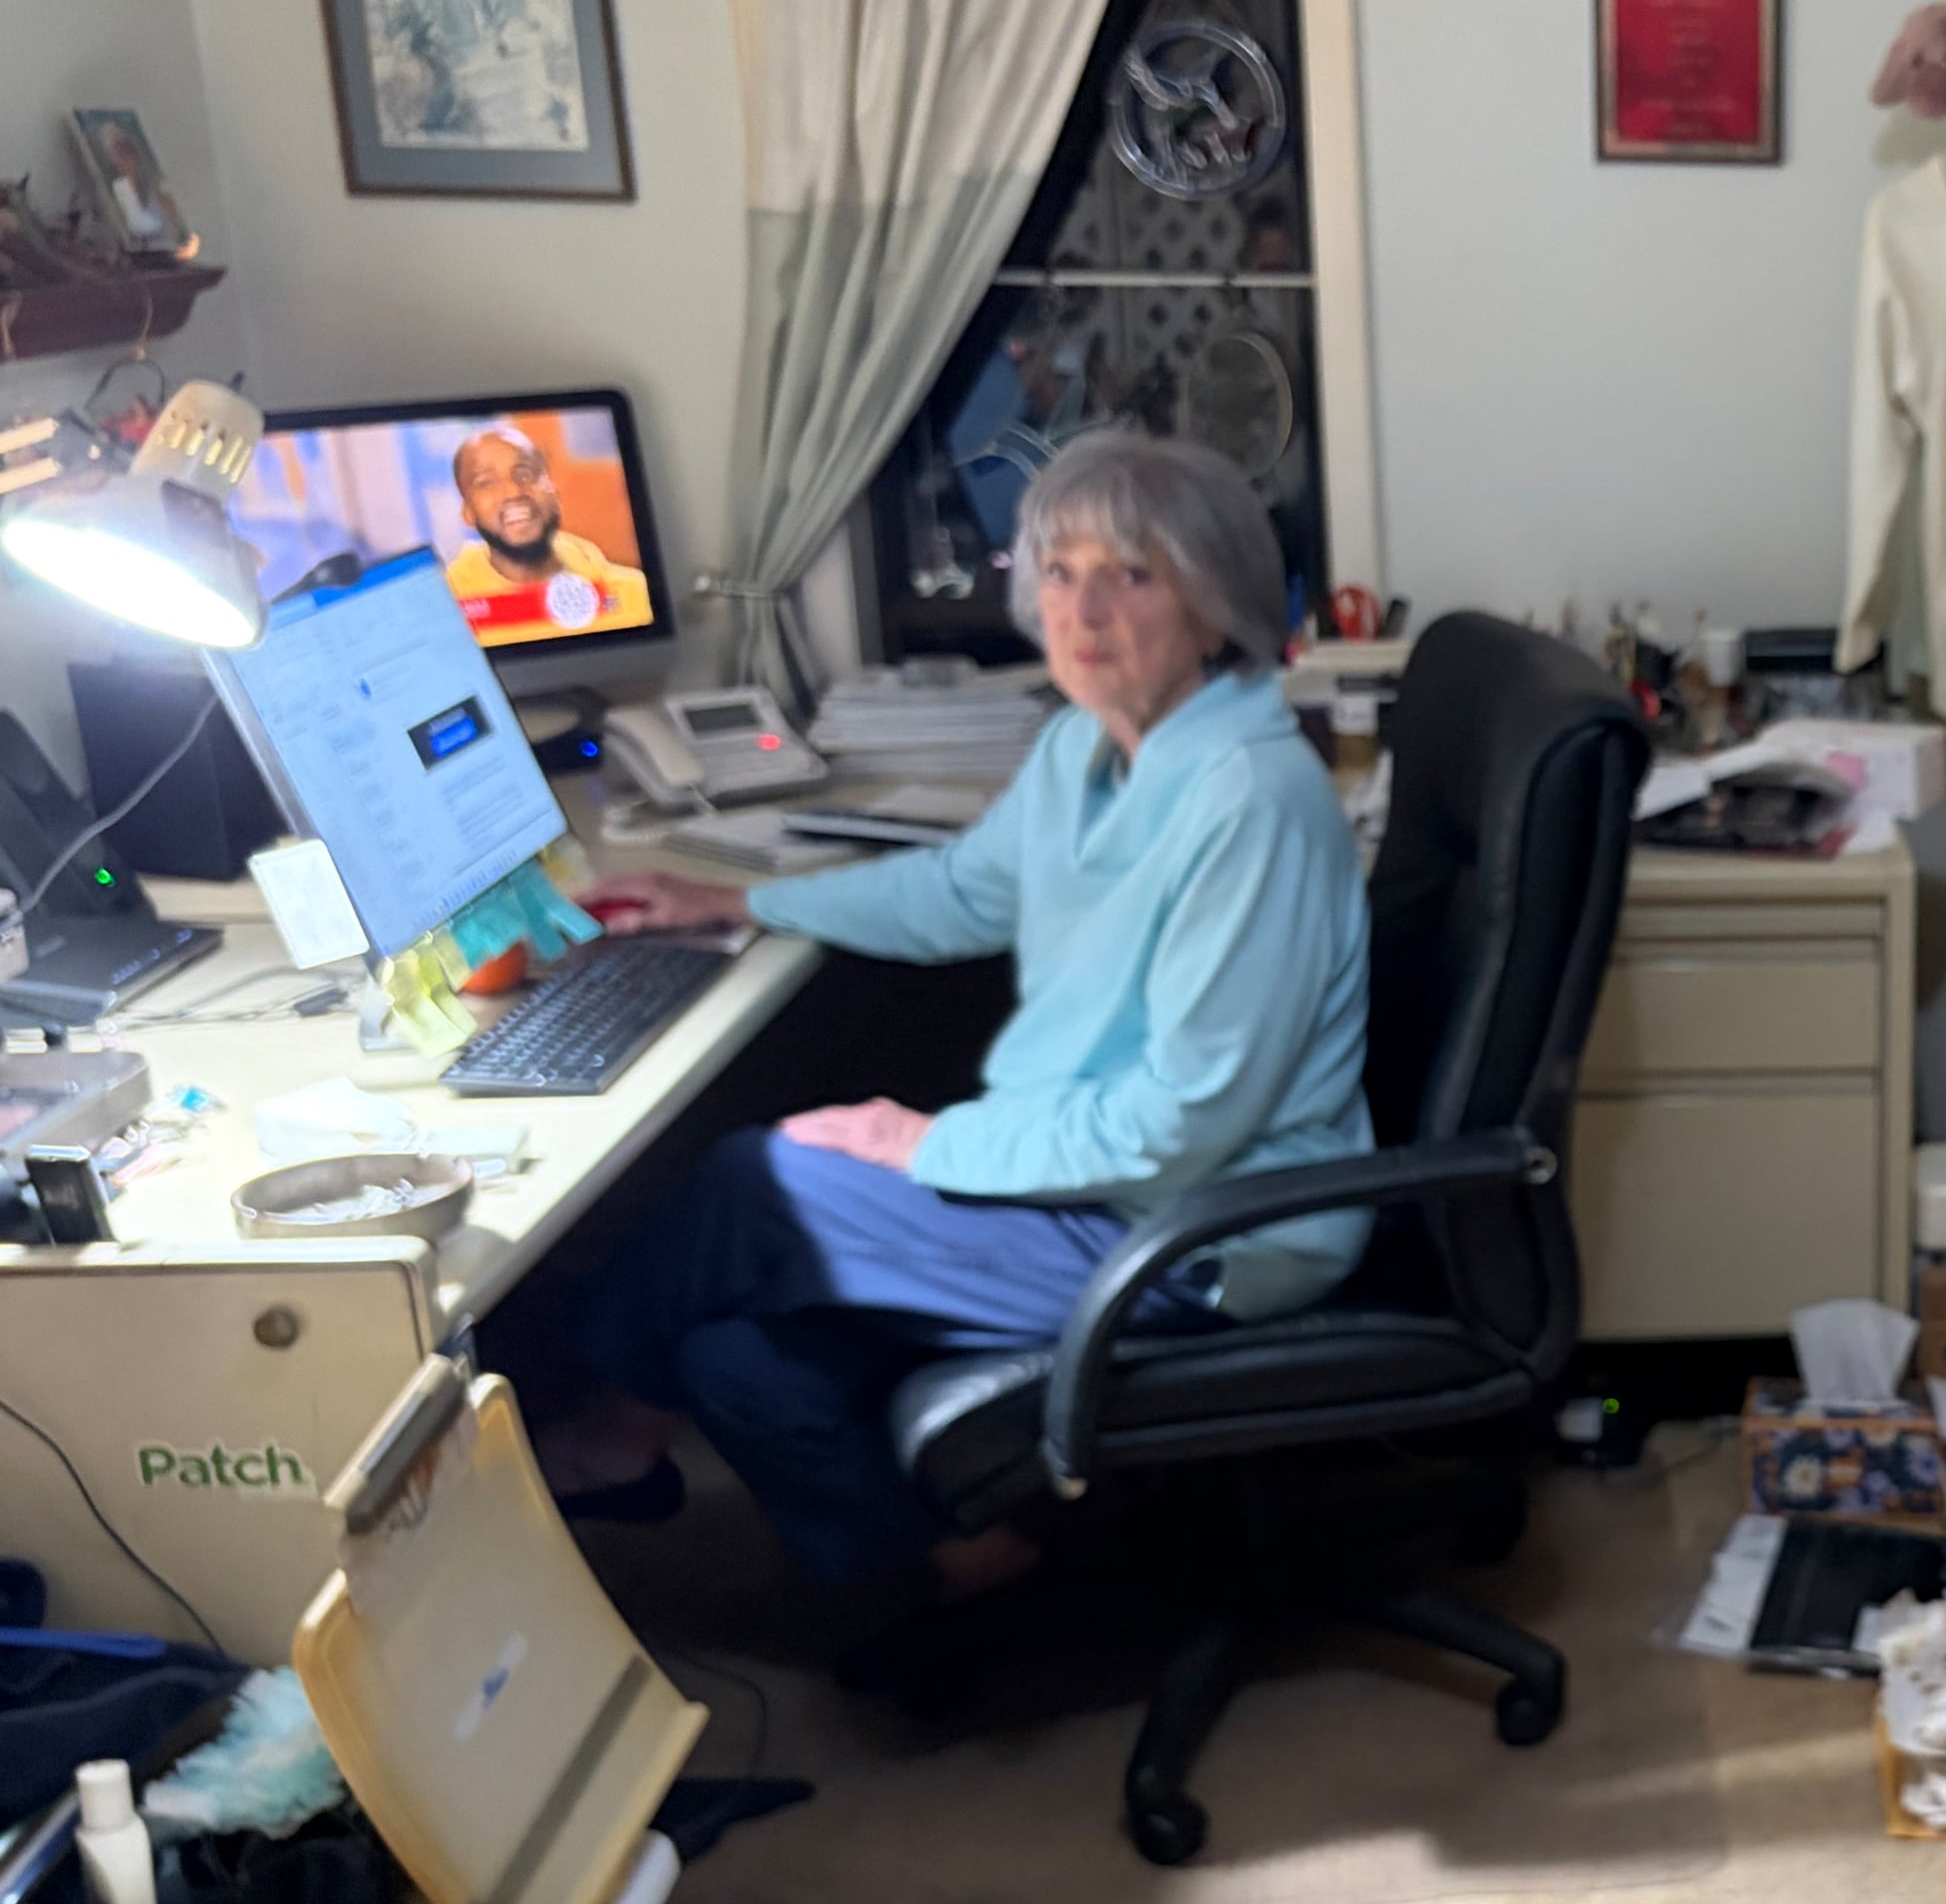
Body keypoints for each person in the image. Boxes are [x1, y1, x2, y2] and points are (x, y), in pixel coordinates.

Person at [540, 428, 1370, 1598]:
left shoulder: (1251, 798)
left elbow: (1182, 1118)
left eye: (1131, 575)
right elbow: (961, 891)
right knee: (729, 1351)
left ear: (1216, 606)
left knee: (751, 1184)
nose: (1081, 609)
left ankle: (607, 1444)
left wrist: (924, 1143)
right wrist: (739, 898)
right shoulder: (1089, 744)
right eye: (1061, 570)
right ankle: (953, 1567)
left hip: (1205, 1230)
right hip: (1100, 1177)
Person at [444, 430, 651, 639]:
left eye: (525, 474)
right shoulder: (444, 614)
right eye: (486, 482)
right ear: (468, 512)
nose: (513, 492)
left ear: (553, 491)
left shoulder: (635, 594)